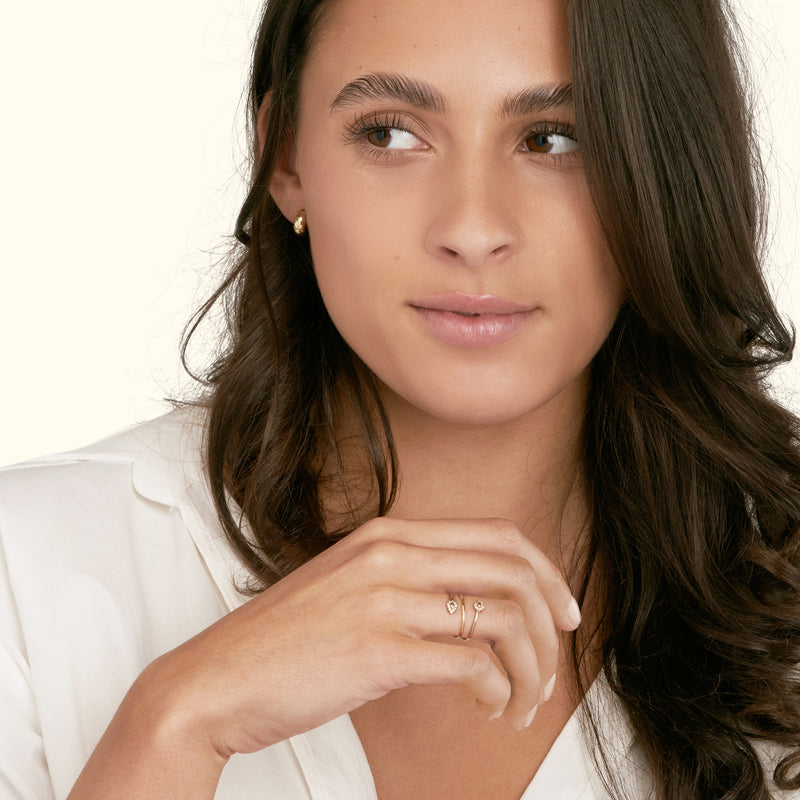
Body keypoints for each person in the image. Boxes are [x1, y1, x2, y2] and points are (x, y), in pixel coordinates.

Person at [1, 0, 799, 798]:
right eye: (389, 133)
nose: (473, 228)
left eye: (556, 138)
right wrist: (175, 725)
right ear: (284, 158)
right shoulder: (28, 583)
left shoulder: (782, 600)